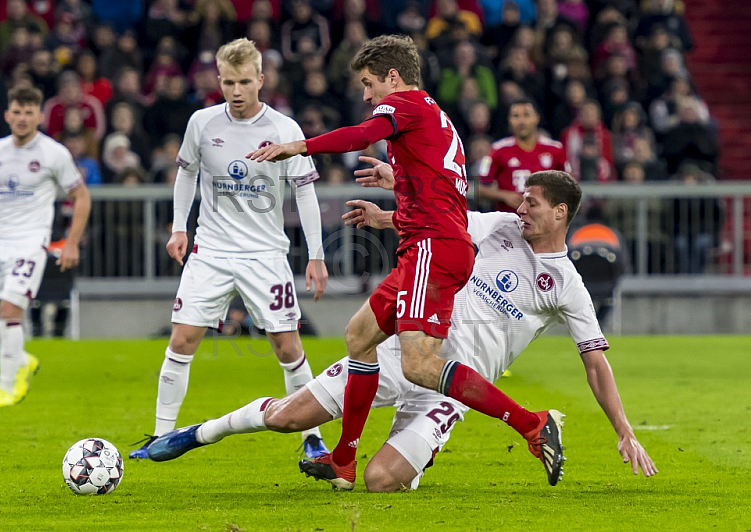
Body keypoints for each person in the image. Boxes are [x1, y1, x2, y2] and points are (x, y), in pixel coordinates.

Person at [146, 170, 657, 491]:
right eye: (522, 201)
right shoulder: (500, 225)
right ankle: (197, 434)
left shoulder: (567, 285)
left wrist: (625, 432)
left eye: (533, 204)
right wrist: (387, 213)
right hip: (404, 348)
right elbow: (440, 222)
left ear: (561, 212)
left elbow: (595, 362)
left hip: (454, 388)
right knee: (286, 419)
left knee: (379, 481)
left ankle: (412, 461)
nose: (521, 209)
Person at [247, 35, 560, 491]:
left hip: (433, 249)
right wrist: (400, 183)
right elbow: (445, 192)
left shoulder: (408, 105)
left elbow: (360, 135)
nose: (366, 94)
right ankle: (344, 460)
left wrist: (297, 147)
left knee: (417, 364)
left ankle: (531, 425)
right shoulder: (433, 115)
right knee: (359, 337)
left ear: (393, 77)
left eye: (369, 84)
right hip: (427, 245)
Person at [128, 38, 330, 460]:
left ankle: (312, 439)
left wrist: (316, 255)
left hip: (265, 255)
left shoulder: (284, 129)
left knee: (288, 348)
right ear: (217, 80)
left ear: (261, 79)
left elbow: (306, 194)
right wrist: (178, 228)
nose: (236, 91)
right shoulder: (202, 123)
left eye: (243, 82)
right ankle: (160, 435)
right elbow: (186, 175)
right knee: (182, 340)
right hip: (212, 251)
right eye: (227, 82)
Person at [0, 86, 91, 407]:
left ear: (40, 116)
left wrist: (71, 243)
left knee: (10, 310)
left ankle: (7, 386)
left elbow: (81, 197)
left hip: (31, 241)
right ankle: (21, 359)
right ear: (7, 115)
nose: (22, 118)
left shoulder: (53, 153)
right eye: (16, 112)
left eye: (28, 112)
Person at [478, 98, 568, 213]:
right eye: (516, 116)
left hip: (544, 221)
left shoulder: (555, 149)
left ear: (537, 118)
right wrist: (504, 196)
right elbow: (480, 189)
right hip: (509, 221)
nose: (521, 121)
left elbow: (568, 186)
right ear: (509, 120)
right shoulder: (498, 150)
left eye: (526, 115)